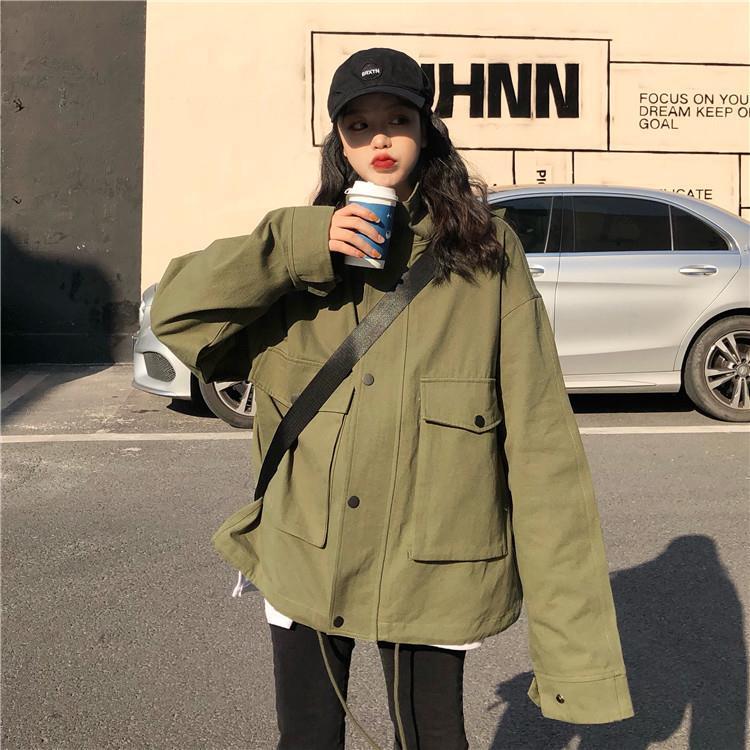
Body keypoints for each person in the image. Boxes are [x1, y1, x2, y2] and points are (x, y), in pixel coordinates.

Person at [149, 47, 634, 750]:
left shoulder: (487, 252)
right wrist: (297, 246)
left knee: (433, 739)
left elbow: (541, 447)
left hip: (434, 564)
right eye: (358, 125)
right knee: (307, 739)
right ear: (338, 144)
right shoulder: (299, 254)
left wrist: (575, 662)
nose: (378, 138)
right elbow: (176, 315)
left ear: (426, 130)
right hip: (307, 552)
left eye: (397, 120)